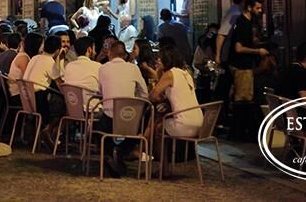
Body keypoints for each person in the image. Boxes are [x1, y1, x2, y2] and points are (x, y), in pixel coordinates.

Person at [150, 45, 202, 176]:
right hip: (200, 123)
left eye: (159, 58)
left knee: (158, 128)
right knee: (161, 122)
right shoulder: (186, 74)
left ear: (166, 59)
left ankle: (164, 168)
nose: (157, 61)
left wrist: (158, 74)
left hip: (184, 125)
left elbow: (153, 96)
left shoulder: (169, 74)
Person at [97, 41, 148, 177]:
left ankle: (109, 153)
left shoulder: (103, 68)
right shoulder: (134, 69)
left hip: (109, 120)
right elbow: (144, 94)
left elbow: (100, 92)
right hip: (129, 118)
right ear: (125, 55)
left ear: (110, 53)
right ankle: (122, 150)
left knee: (99, 126)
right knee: (142, 121)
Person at [228, 0, 267, 102]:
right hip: (242, 67)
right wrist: (258, 51)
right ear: (249, 7)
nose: (260, 11)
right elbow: (238, 48)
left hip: (243, 65)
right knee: (244, 98)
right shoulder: (243, 23)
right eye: (257, 8)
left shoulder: (246, 22)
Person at [23, 35, 65, 137]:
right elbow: (60, 85)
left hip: (25, 97)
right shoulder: (49, 62)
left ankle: (44, 133)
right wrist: (60, 60)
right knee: (63, 106)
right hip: (39, 100)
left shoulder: (35, 58)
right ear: (58, 50)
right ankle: (48, 130)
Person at [63, 36, 101, 105]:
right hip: (93, 109)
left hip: (72, 107)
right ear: (89, 50)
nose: (95, 52)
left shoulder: (68, 66)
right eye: (94, 49)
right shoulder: (98, 66)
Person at [9, 33, 42, 99]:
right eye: (42, 45)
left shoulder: (25, 56)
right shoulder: (23, 58)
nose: (43, 48)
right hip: (18, 95)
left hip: (20, 93)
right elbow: (28, 79)